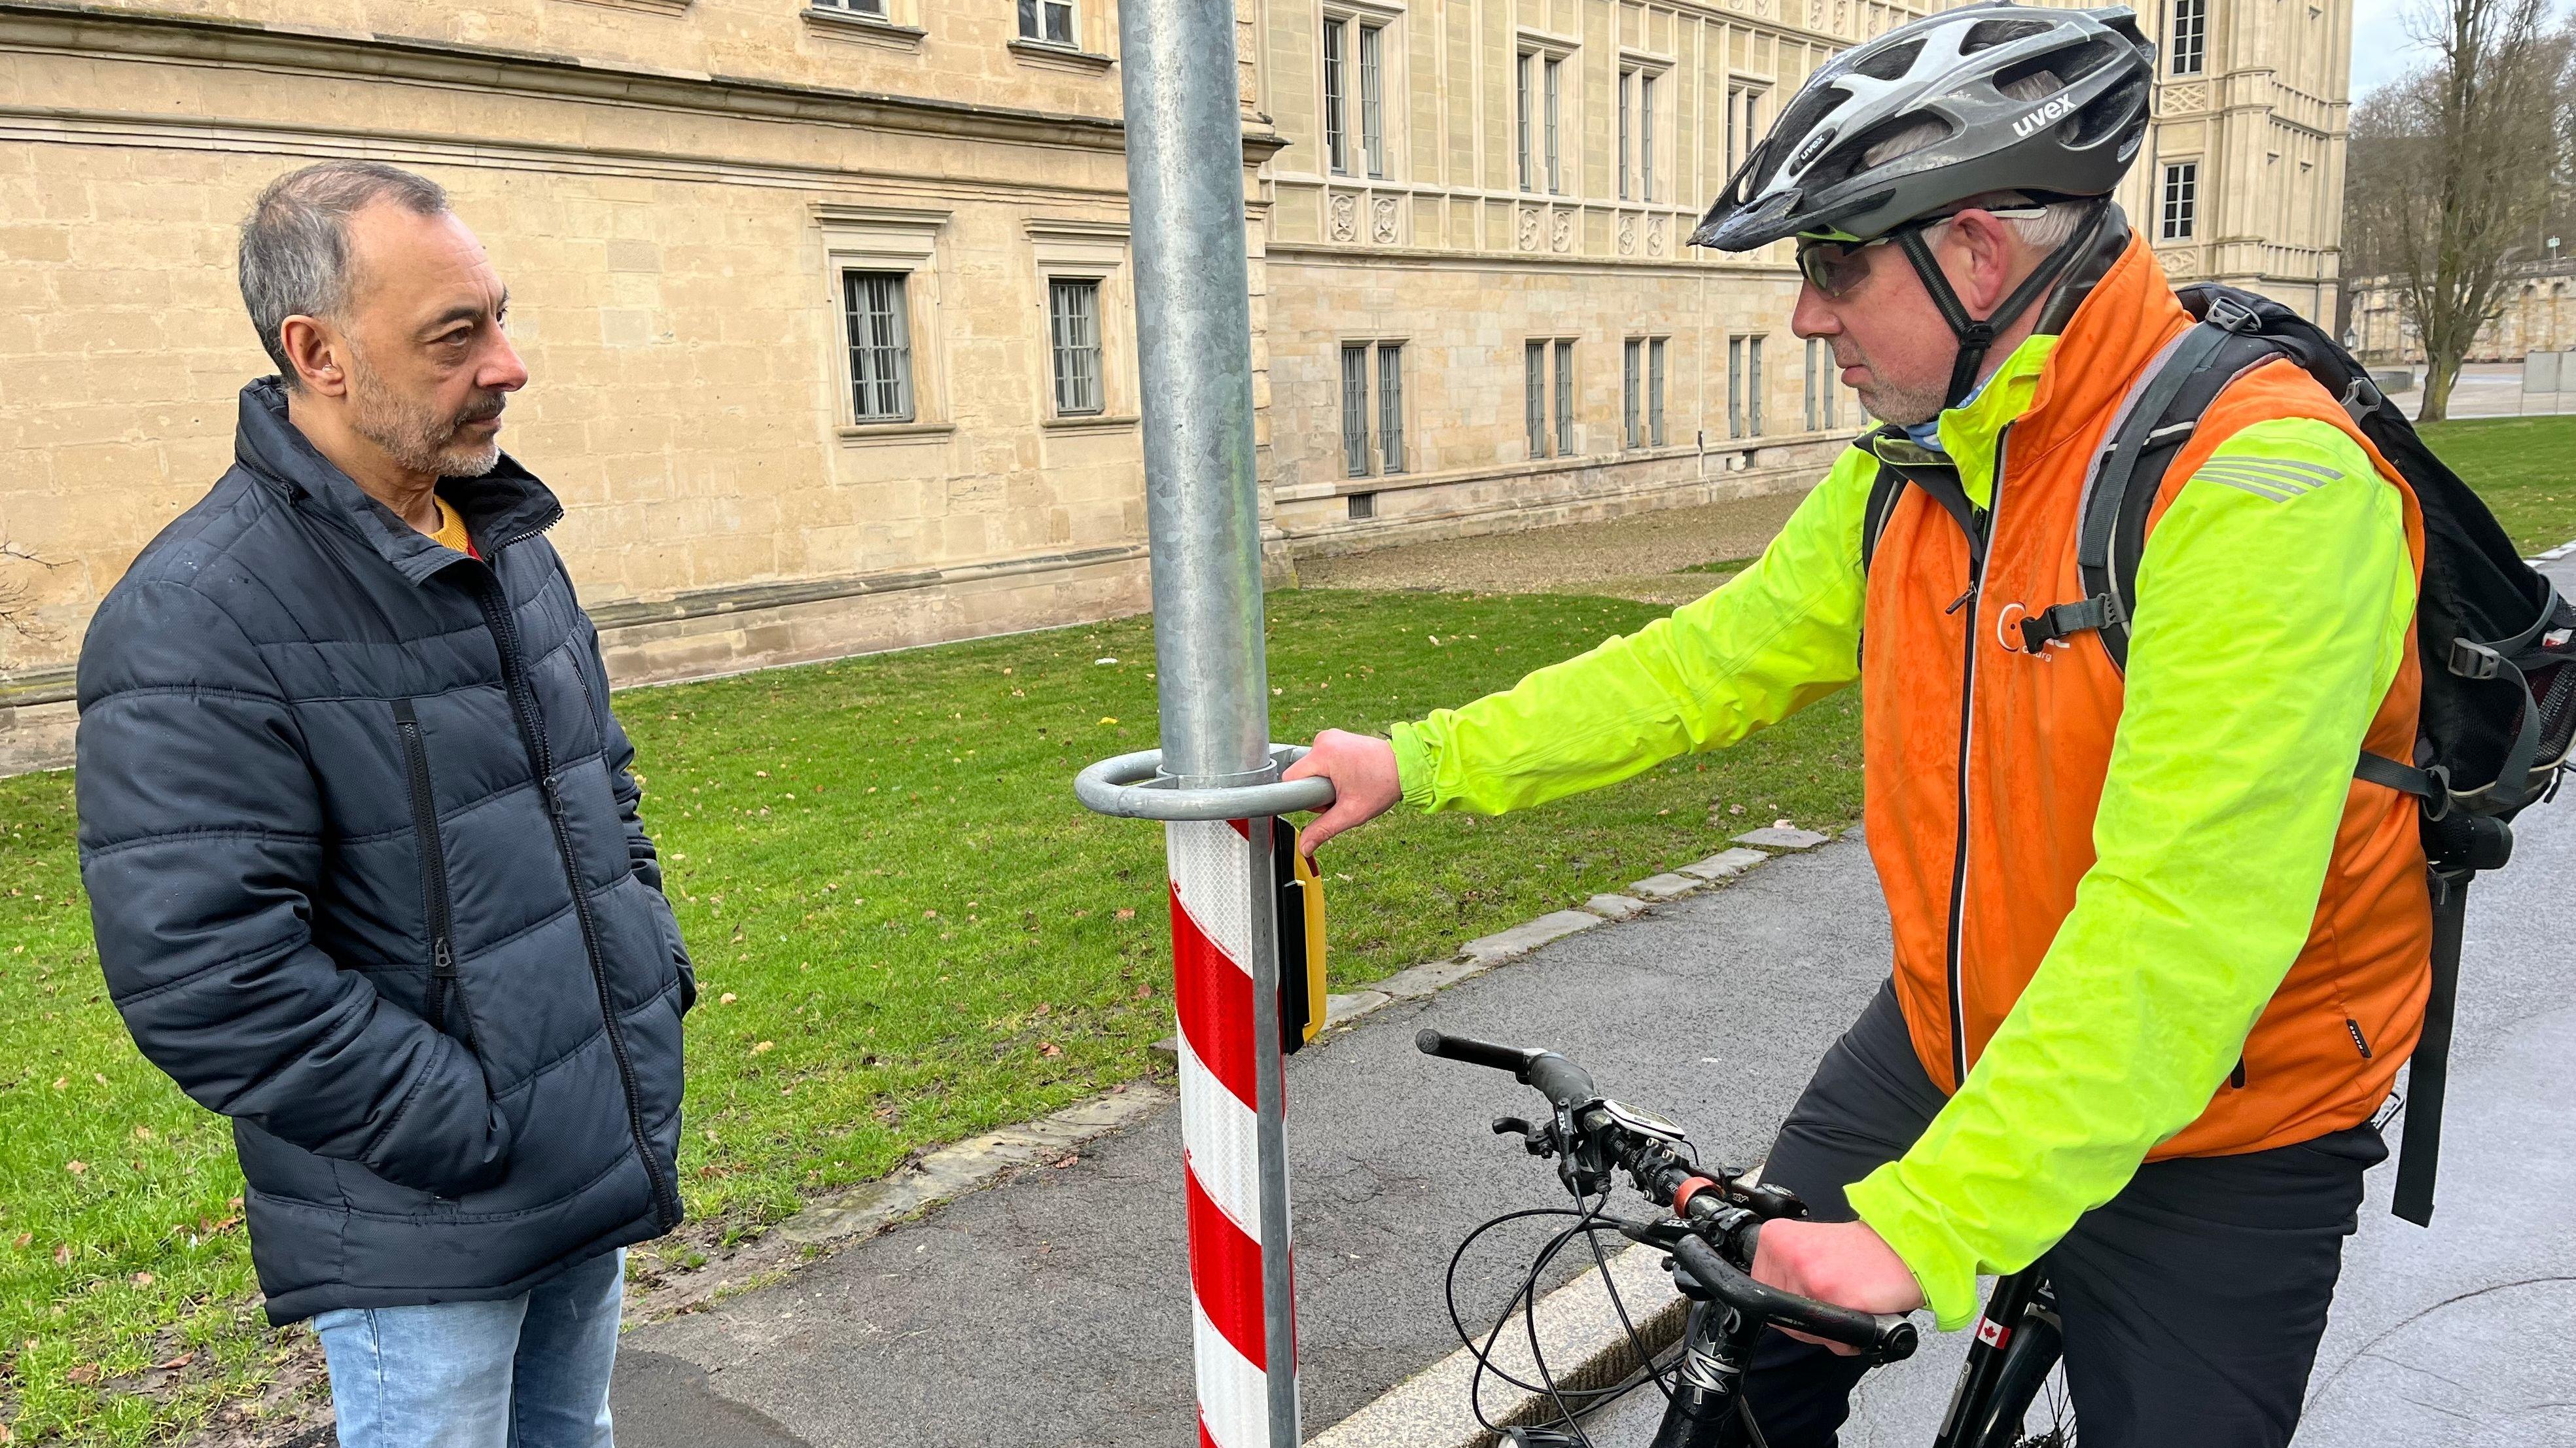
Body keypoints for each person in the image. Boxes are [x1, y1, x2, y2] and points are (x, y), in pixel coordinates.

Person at [1286, 7, 2428, 1443]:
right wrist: (1422, 758)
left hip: (2231, 1113)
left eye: (1834, 263)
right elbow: (1710, 662)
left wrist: (1926, 1224)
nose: (1804, 314)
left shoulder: (2267, 489)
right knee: (1740, 1366)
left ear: (1976, 255)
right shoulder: (1919, 461)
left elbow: (2187, 917)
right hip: (1954, 1030)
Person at [76, 160, 692, 1448]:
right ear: (320, 353)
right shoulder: (200, 617)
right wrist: (470, 1120)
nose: (509, 365)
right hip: (428, 1223)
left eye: (499, 318)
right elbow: (207, 977)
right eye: (455, 335)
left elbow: (599, 785)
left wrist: (648, 967)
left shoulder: (505, 548)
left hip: (587, 1157)